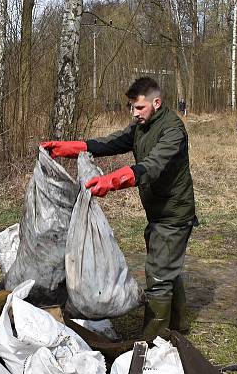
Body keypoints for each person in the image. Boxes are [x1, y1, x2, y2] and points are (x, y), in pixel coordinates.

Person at [41, 77, 197, 339]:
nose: (134, 114)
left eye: (139, 108)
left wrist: (112, 181)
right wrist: (71, 148)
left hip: (174, 213)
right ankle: (178, 326)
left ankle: (151, 342)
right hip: (158, 211)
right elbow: (111, 143)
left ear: (156, 103)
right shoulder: (141, 127)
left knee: (158, 276)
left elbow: (153, 166)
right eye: (131, 108)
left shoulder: (172, 131)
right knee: (166, 267)